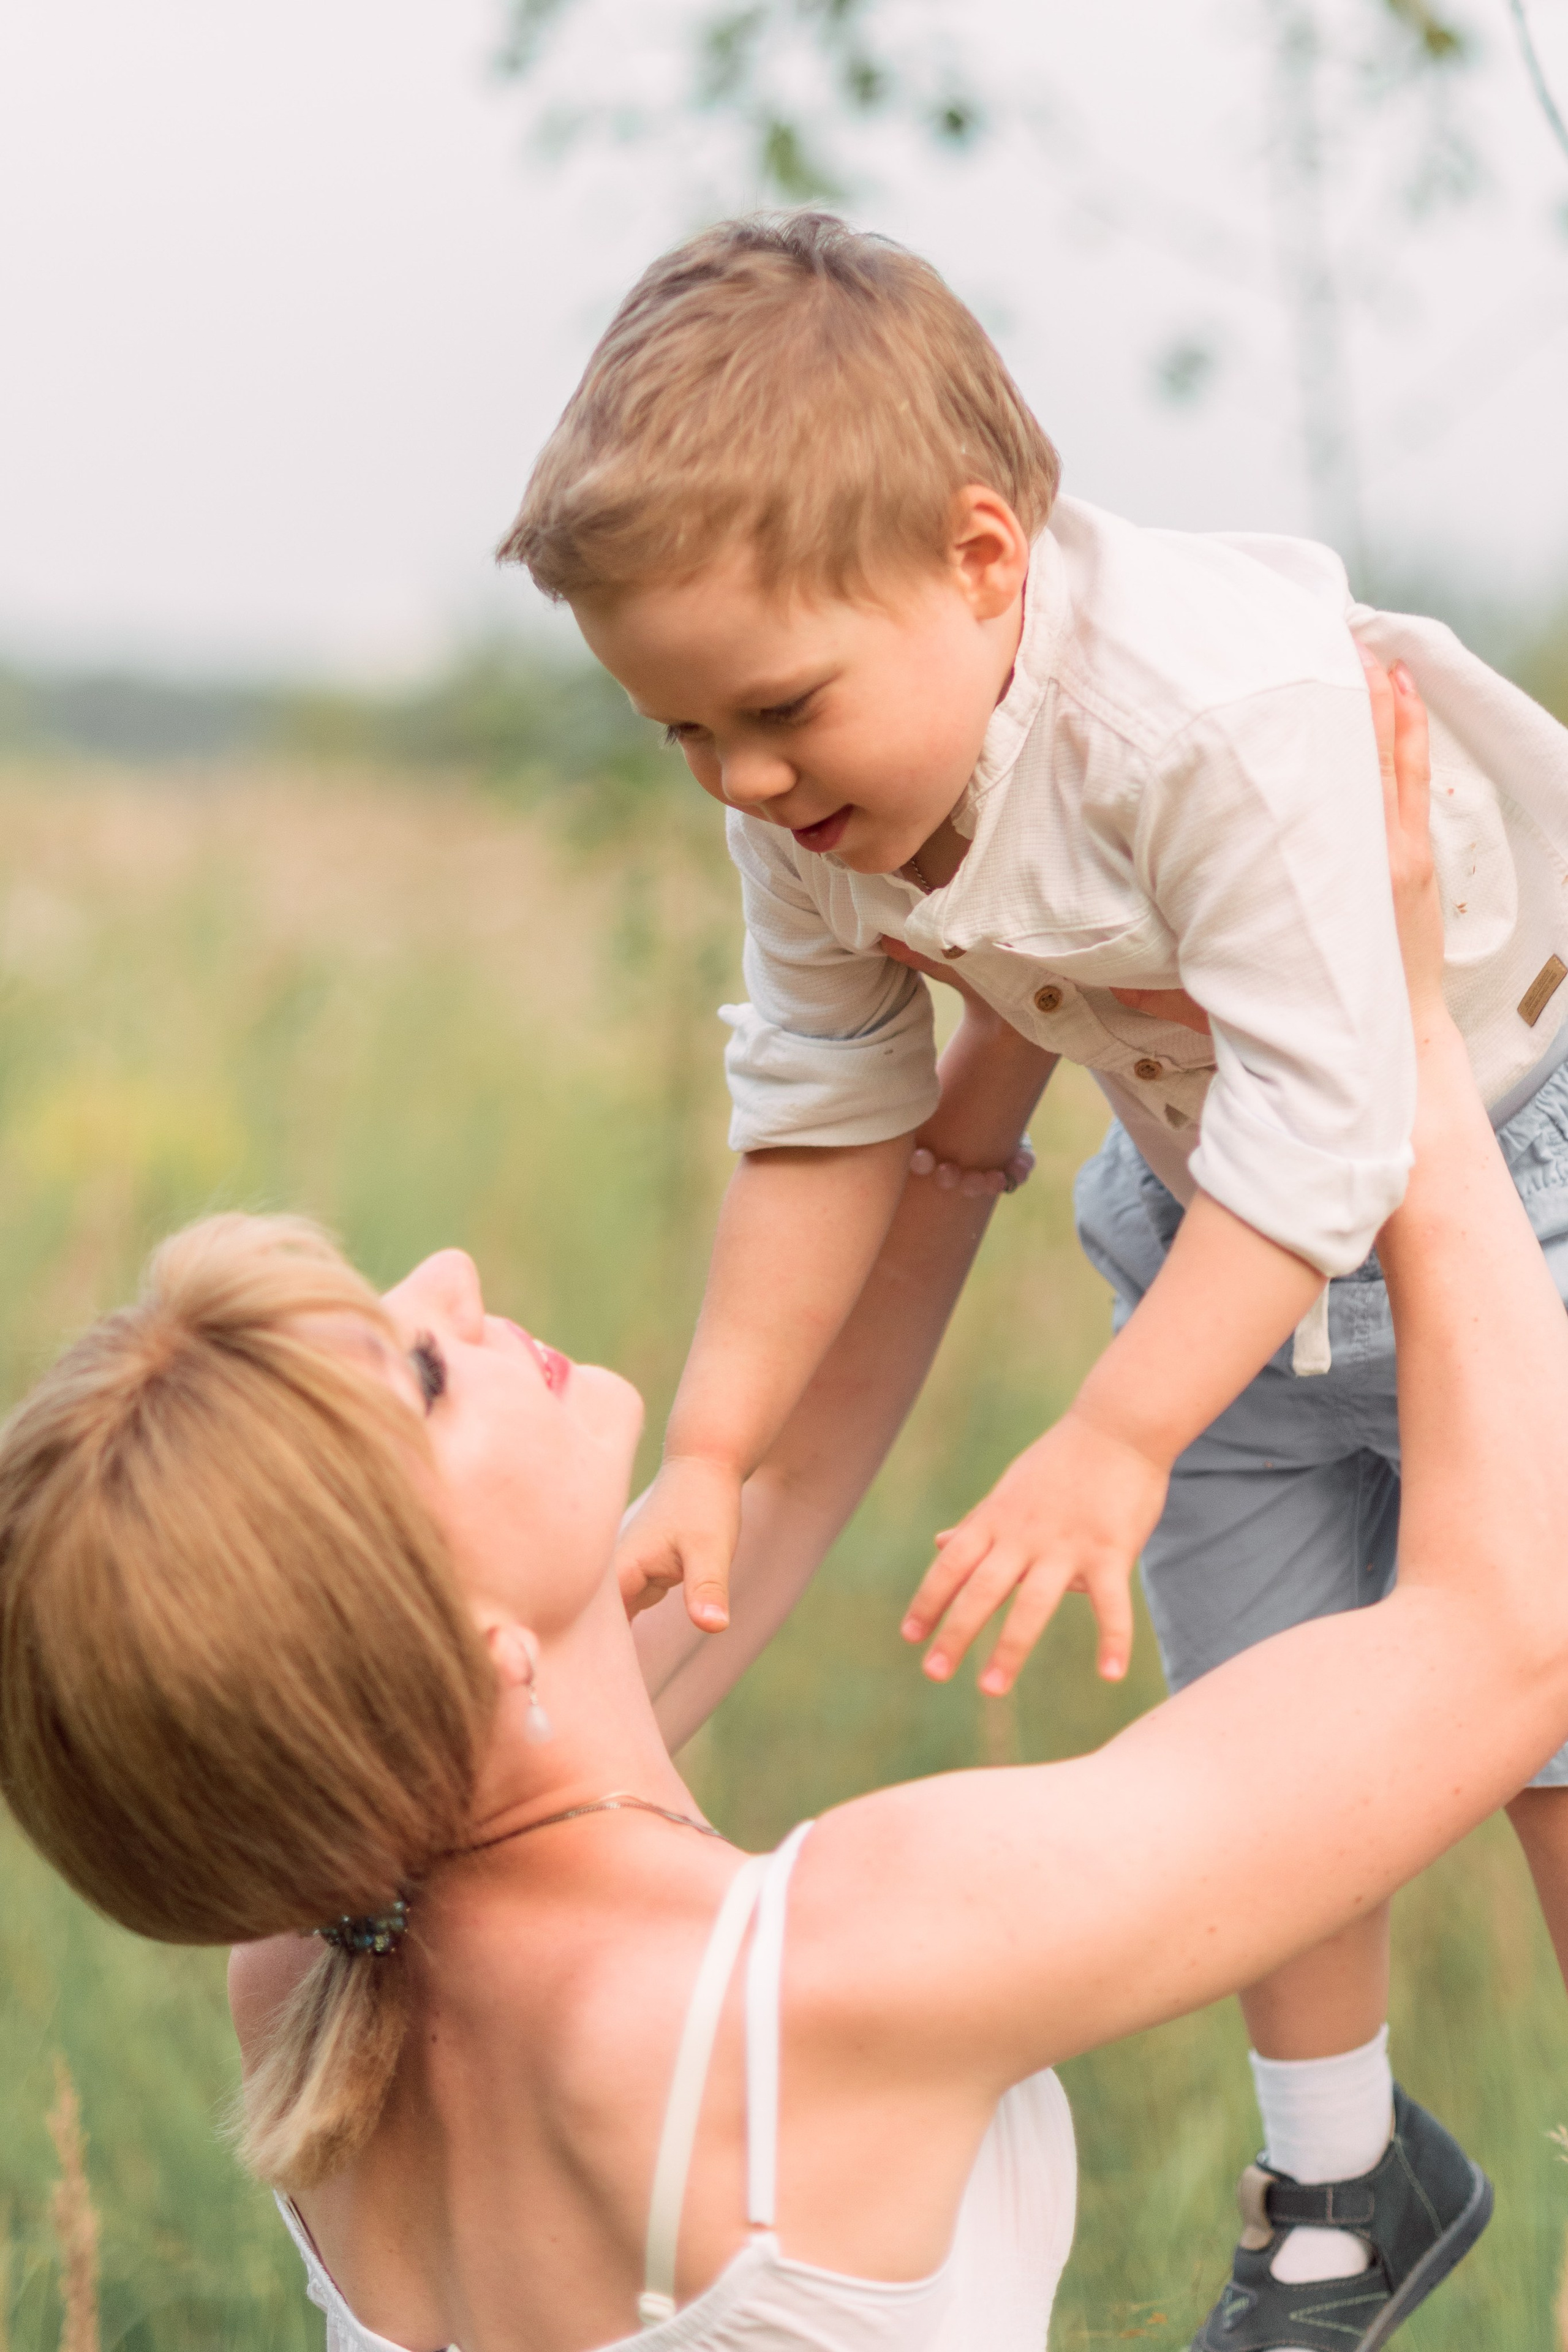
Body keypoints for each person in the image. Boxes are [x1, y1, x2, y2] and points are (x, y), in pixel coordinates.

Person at [0, 669, 1564, 2352]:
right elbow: (1512, 1637)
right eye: (424, 1375)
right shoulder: (836, 1968)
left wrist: (1002, 1040)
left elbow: (785, 1480)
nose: (448, 1273)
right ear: (462, 1647)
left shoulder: (316, 1973)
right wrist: (1395, 1036)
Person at [499, 211, 1568, 2337]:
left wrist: (1115, 1432)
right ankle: (1342, 2177)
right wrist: (711, 1444)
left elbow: (1339, 1115)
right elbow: (826, 1103)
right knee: (1266, 1725)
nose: (742, 783)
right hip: (1209, 1211)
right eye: (679, 733)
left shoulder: (1212, 713)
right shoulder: (810, 797)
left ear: (982, 559)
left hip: (1506, 1168)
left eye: (775, 712)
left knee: (1546, 1739)